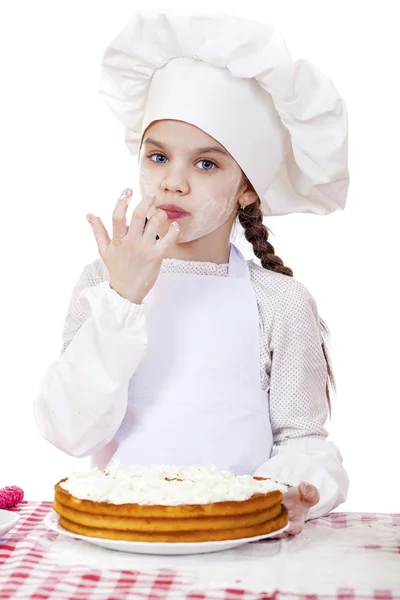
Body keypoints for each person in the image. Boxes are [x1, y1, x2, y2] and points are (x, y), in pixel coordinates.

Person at [33, 9, 350, 538]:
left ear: (247, 188)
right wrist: (125, 297)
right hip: (122, 539)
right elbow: (69, 432)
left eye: (207, 164)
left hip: (239, 540)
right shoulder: (102, 280)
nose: (173, 182)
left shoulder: (280, 301)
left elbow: (303, 439)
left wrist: (297, 489)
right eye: (158, 156)